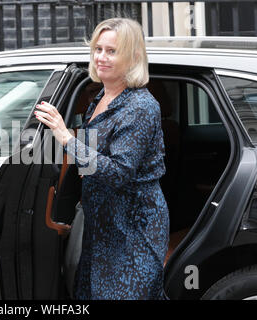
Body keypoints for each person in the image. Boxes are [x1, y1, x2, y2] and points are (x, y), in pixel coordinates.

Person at [34, 17, 169, 300]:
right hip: (102, 228)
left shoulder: (141, 107)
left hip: (133, 229)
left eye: (112, 51)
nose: (101, 58)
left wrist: (67, 138)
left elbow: (119, 172)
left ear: (132, 56)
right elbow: (97, 153)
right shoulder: (102, 98)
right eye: (98, 49)